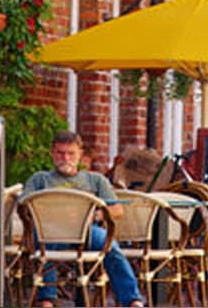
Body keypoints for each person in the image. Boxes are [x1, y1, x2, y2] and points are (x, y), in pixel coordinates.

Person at [21, 131, 145, 308]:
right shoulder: (40, 179)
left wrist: (94, 216)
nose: (65, 158)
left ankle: (132, 300)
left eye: (70, 153)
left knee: (111, 247)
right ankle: (46, 299)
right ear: (52, 153)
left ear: (80, 154)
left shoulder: (95, 180)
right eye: (60, 153)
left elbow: (117, 209)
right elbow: (23, 206)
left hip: (86, 231)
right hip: (49, 231)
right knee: (42, 242)